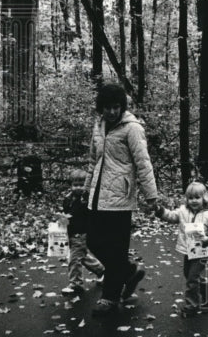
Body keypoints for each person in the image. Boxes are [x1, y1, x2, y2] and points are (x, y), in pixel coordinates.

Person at [84, 82, 162, 318]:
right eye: (107, 107)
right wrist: (84, 190)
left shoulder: (132, 128)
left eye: (116, 107)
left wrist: (151, 197)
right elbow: (92, 161)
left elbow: (143, 163)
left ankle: (110, 297)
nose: (111, 112)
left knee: (117, 248)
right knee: (94, 241)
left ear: (122, 107)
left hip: (121, 196)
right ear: (101, 108)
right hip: (98, 195)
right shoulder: (99, 125)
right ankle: (128, 270)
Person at [155, 182, 208, 318]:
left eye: (197, 197)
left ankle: (191, 305)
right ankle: (205, 285)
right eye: (190, 198)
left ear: (204, 198)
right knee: (188, 274)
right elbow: (172, 216)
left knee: (191, 279)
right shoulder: (182, 211)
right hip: (188, 250)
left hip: (201, 252)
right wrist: (160, 211)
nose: (193, 201)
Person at [61, 168, 104, 296]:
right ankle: (102, 270)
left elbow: (86, 215)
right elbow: (66, 213)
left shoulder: (87, 200)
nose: (78, 188)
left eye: (81, 185)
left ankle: (75, 284)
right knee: (82, 256)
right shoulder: (68, 199)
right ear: (71, 185)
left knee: (74, 259)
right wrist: (62, 219)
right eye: (75, 185)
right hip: (72, 232)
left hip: (81, 233)